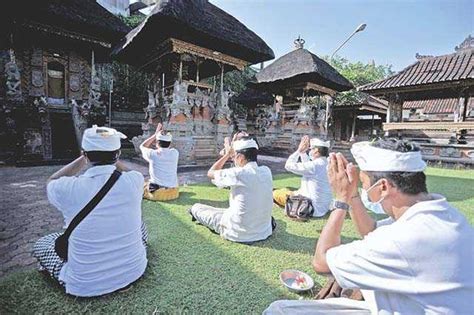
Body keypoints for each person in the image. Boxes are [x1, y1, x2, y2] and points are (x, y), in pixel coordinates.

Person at [264, 138, 474, 314]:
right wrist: (353, 194)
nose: (363, 190)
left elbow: (321, 262)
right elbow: (371, 230)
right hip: (412, 305)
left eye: (364, 184)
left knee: (278, 310)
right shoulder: (442, 214)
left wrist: (342, 199)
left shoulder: (402, 239)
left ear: (382, 187)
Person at [33, 125, 148, 297]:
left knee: (43, 243)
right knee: (140, 226)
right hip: (134, 269)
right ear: (117, 154)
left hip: (86, 283)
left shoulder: (66, 188)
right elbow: (132, 173)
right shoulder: (134, 181)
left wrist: (83, 158)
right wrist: (113, 157)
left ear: (85, 154)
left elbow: (52, 180)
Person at [189, 133, 275, 243]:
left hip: (237, 233)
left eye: (234, 157)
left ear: (240, 157)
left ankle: (194, 211)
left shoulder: (238, 173)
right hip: (264, 231)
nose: (233, 160)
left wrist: (226, 155)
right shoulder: (266, 171)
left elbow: (210, 173)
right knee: (224, 211)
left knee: (197, 208)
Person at [273, 135, 332, 217]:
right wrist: (302, 153)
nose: (310, 151)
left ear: (316, 151)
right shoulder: (327, 164)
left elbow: (288, 165)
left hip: (308, 206)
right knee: (285, 190)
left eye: (311, 149)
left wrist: (298, 151)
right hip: (323, 207)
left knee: (275, 193)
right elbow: (307, 166)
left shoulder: (315, 165)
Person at [140, 123, 179, 201]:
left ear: (157, 143)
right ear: (170, 143)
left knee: (139, 185)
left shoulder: (152, 154)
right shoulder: (175, 153)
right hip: (174, 193)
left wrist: (155, 134)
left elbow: (142, 146)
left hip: (157, 194)